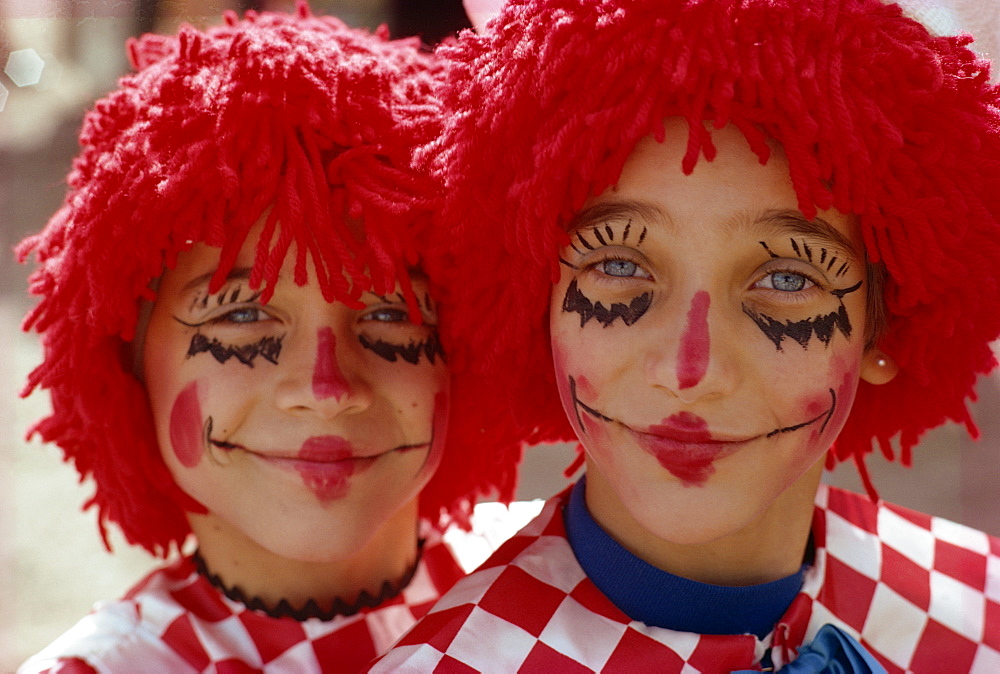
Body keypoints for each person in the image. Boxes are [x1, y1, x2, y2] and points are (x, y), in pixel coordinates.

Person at [372, 0, 1000, 671]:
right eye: (617, 264)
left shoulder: (982, 610)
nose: (688, 369)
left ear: (887, 325)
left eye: (787, 279)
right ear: (539, 302)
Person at [16, 4, 529, 672]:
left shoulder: (568, 592)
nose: (324, 390)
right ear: (127, 361)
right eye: (240, 316)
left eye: (394, 313)